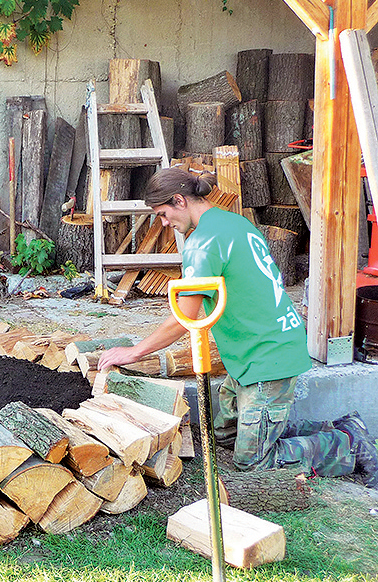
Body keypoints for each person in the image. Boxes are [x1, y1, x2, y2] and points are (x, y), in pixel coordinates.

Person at [98, 167, 378, 488]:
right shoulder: (233, 222)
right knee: (223, 434)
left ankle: (348, 444)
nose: (164, 223)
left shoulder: (203, 243)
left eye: (163, 214)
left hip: (266, 359)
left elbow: (184, 317)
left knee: (253, 460)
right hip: (253, 352)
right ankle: (335, 427)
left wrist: (135, 352)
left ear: (179, 200)